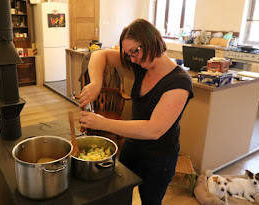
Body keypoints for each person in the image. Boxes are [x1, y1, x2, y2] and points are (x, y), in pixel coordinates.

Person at [78, 19, 193, 205]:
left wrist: (102, 123)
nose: (132, 59)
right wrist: (96, 83)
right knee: (121, 195)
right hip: (132, 147)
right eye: (128, 54)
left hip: (159, 159)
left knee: (150, 201)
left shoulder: (179, 82)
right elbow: (100, 55)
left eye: (135, 51)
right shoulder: (141, 65)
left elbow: (153, 130)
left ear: (152, 40)